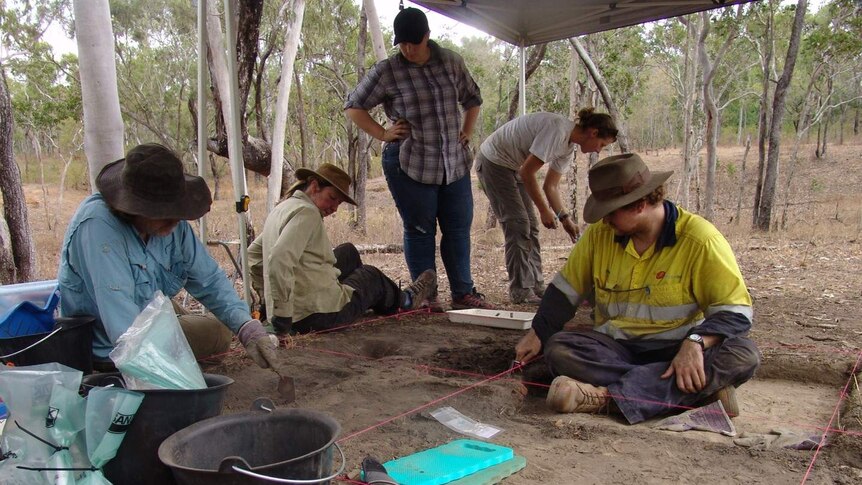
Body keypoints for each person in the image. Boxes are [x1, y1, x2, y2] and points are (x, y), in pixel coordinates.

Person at [514, 153, 760, 424]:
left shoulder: (701, 240)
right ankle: (694, 394)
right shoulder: (599, 236)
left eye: (611, 212)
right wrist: (538, 332)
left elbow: (735, 313)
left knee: (742, 355)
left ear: (640, 204)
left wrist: (695, 343)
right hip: (615, 349)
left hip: (678, 348)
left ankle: (607, 399)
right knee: (559, 348)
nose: (604, 220)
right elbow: (564, 292)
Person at [58, 143, 282, 373]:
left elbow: (209, 279)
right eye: (164, 213)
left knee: (223, 329)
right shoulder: (98, 228)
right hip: (109, 348)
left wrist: (246, 327)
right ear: (135, 208)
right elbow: (126, 333)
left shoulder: (173, 225)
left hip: (150, 310)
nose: (176, 220)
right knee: (214, 338)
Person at [344, 7, 495, 311]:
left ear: (427, 37)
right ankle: (426, 296)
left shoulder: (451, 61)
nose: (408, 49)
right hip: (409, 162)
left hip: (453, 162)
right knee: (420, 229)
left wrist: (467, 129)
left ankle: (463, 291)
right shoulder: (388, 70)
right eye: (402, 43)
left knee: (457, 228)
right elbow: (354, 106)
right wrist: (383, 133)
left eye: (414, 42)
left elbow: (472, 98)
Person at [248, 163, 438, 335]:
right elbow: (279, 260)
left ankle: (362, 298)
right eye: (332, 198)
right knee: (370, 276)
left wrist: (268, 301)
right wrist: (282, 315)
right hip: (312, 316)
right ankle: (406, 300)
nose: (335, 208)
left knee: (348, 252)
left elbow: (254, 257)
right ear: (314, 186)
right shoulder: (307, 213)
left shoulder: (283, 208)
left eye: (338, 203)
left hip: (299, 302)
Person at [475, 109, 618, 304]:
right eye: (601, 144)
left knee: (531, 225)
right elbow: (528, 172)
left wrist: (564, 218)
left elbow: (550, 185)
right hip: (494, 161)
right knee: (518, 224)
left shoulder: (568, 147)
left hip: (514, 167)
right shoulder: (558, 130)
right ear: (593, 132)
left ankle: (536, 285)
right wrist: (544, 210)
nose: (598, 150)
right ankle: (521, 290)